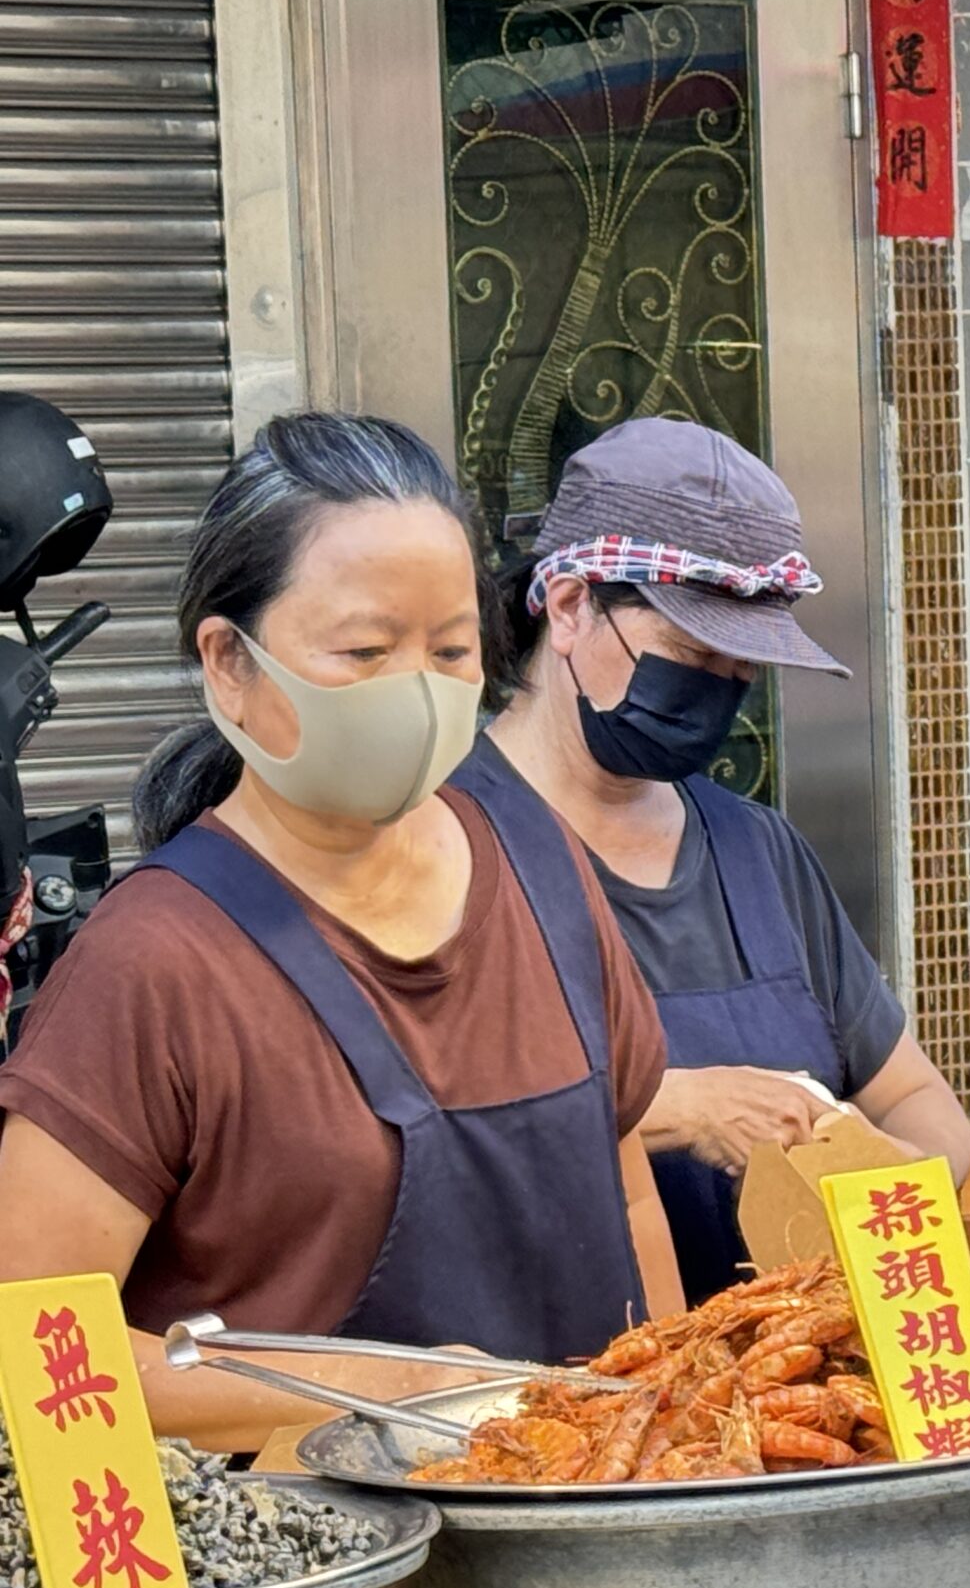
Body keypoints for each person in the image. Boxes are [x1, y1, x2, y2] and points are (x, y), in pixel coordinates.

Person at [0, 414, 682, 1451]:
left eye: (451, 650)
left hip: (582, 1560)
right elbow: (34, 1349)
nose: (416, 690)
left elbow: (628, 1202)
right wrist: (393, 1389)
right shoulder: (157, 962)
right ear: (231, 664)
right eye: (365, 651)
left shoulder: (540, 868)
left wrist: (675, 1444)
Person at [473, 418, 970, 1304]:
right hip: (552, 1396)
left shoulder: (759, 851)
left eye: (741, 671)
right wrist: (678, 1107)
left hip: (793, 1396)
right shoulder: (439, 847)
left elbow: (924, 1106)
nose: (716, 693)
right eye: (692, 655)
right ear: (571, 606)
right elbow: (402, 1140)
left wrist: (873, 1164)